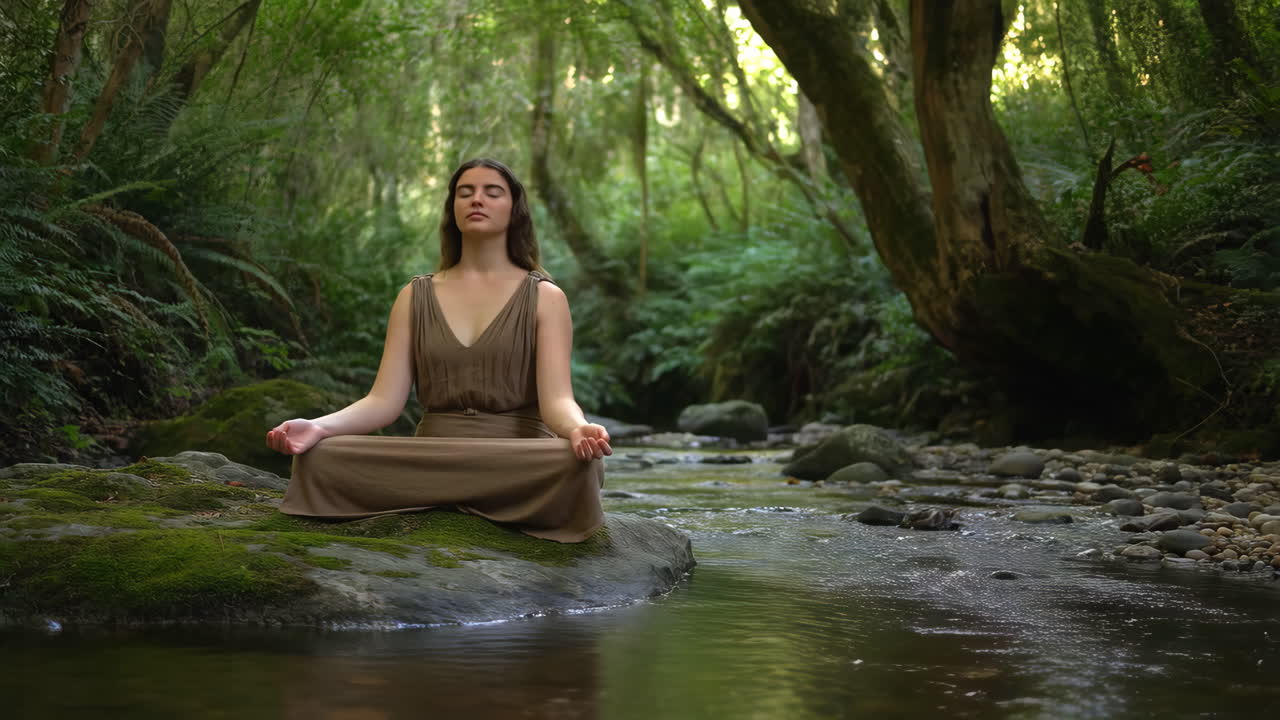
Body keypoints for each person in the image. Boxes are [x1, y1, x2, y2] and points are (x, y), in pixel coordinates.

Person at [266, 158, 611, 542]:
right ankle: (477, 496)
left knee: (574, 463)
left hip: (516, 457)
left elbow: (557, 400)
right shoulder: (415, 295)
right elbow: (383, 401)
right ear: (453, 210)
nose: (476, 199)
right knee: (320, 455)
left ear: (514, 210)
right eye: (466, 192)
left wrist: (578, 429)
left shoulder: (546, 297)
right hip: (433, 453)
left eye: (491, 192)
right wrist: (317, 427)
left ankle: (441, 495)